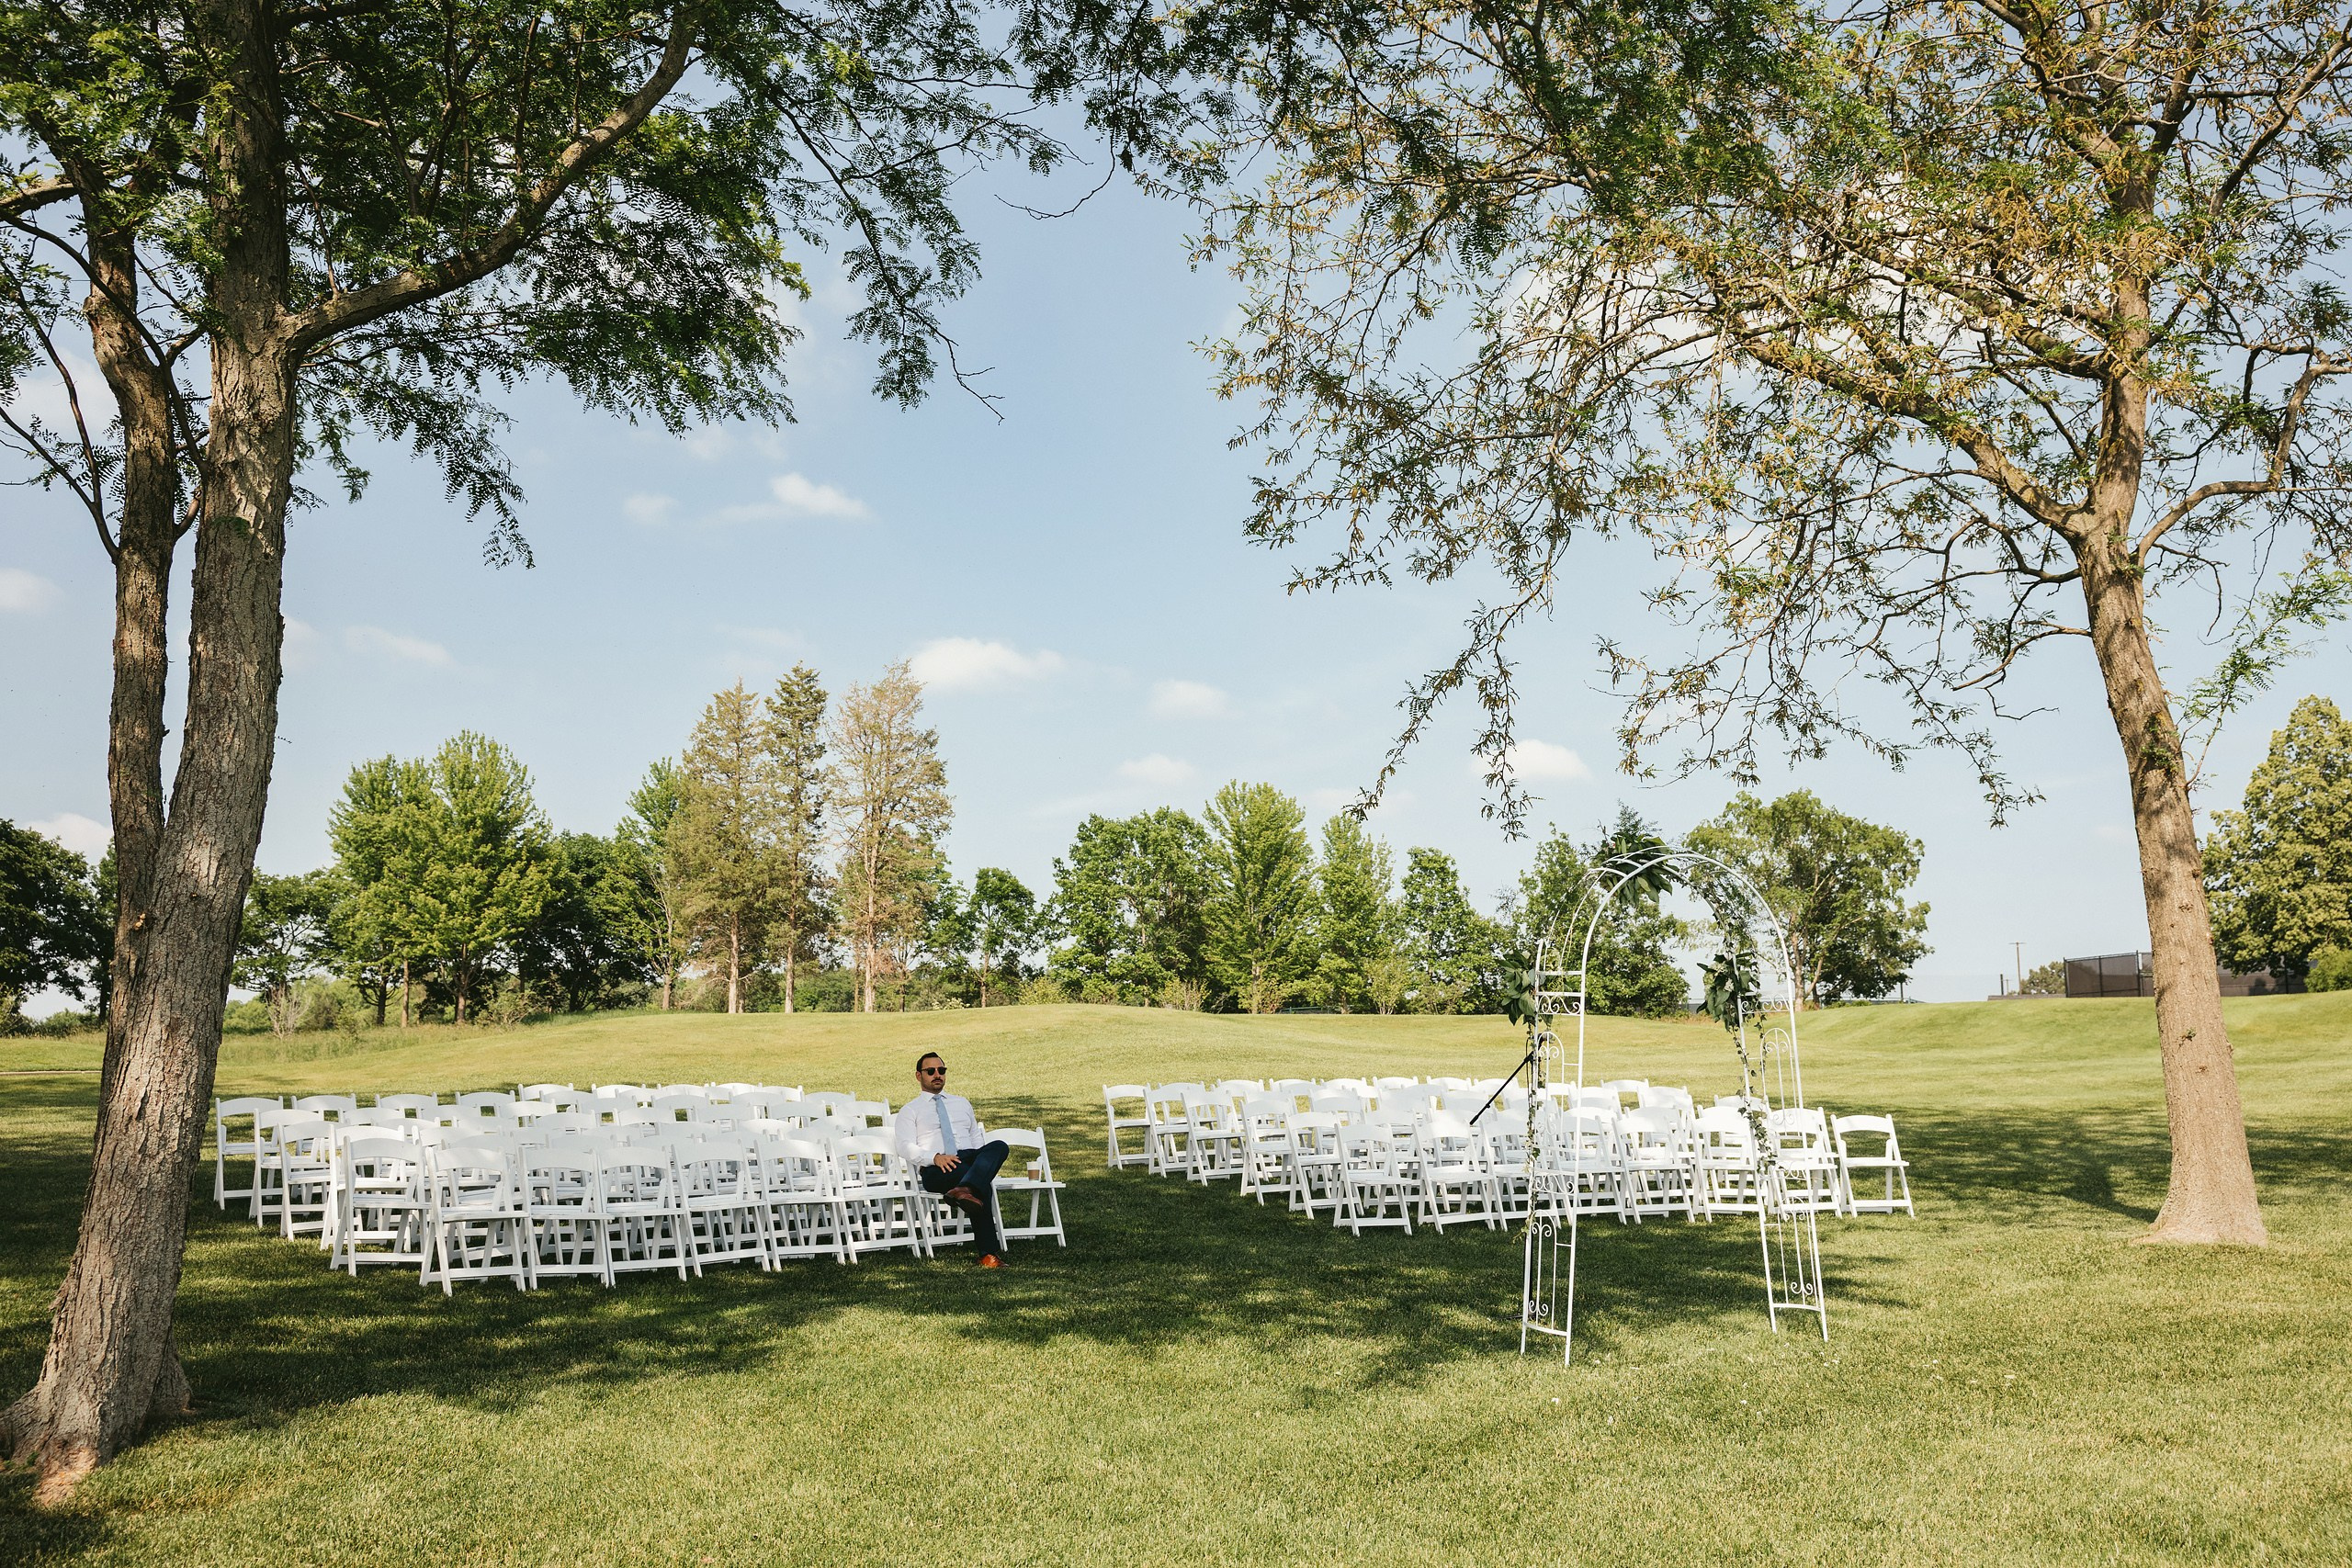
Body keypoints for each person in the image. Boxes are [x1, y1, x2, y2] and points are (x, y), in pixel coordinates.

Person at [893, 1052, 1011, 1268]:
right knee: (981, 1185)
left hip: (968, 1159)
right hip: (936, 1168)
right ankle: (987, 1254)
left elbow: (975, 1137)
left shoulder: (961, 1103)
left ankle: (964, 1189)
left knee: (999, 1146)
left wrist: (979, 1163)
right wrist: (934, 1157)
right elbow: (904, 1146)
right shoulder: (910, 1111)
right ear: (919, 1076)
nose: (937, 1075)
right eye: (931, 1071)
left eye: (941, 1070)